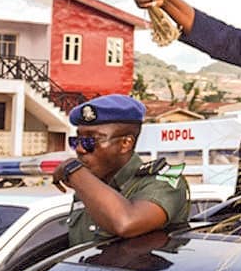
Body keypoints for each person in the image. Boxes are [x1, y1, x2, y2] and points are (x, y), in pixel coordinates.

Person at [53, 94, 189, 246]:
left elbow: (126, 223)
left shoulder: (162, 181)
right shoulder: (89, 184)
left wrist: (73, 169)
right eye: (76, 140)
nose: (79, 149)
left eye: (90, 141)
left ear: (125, 143)